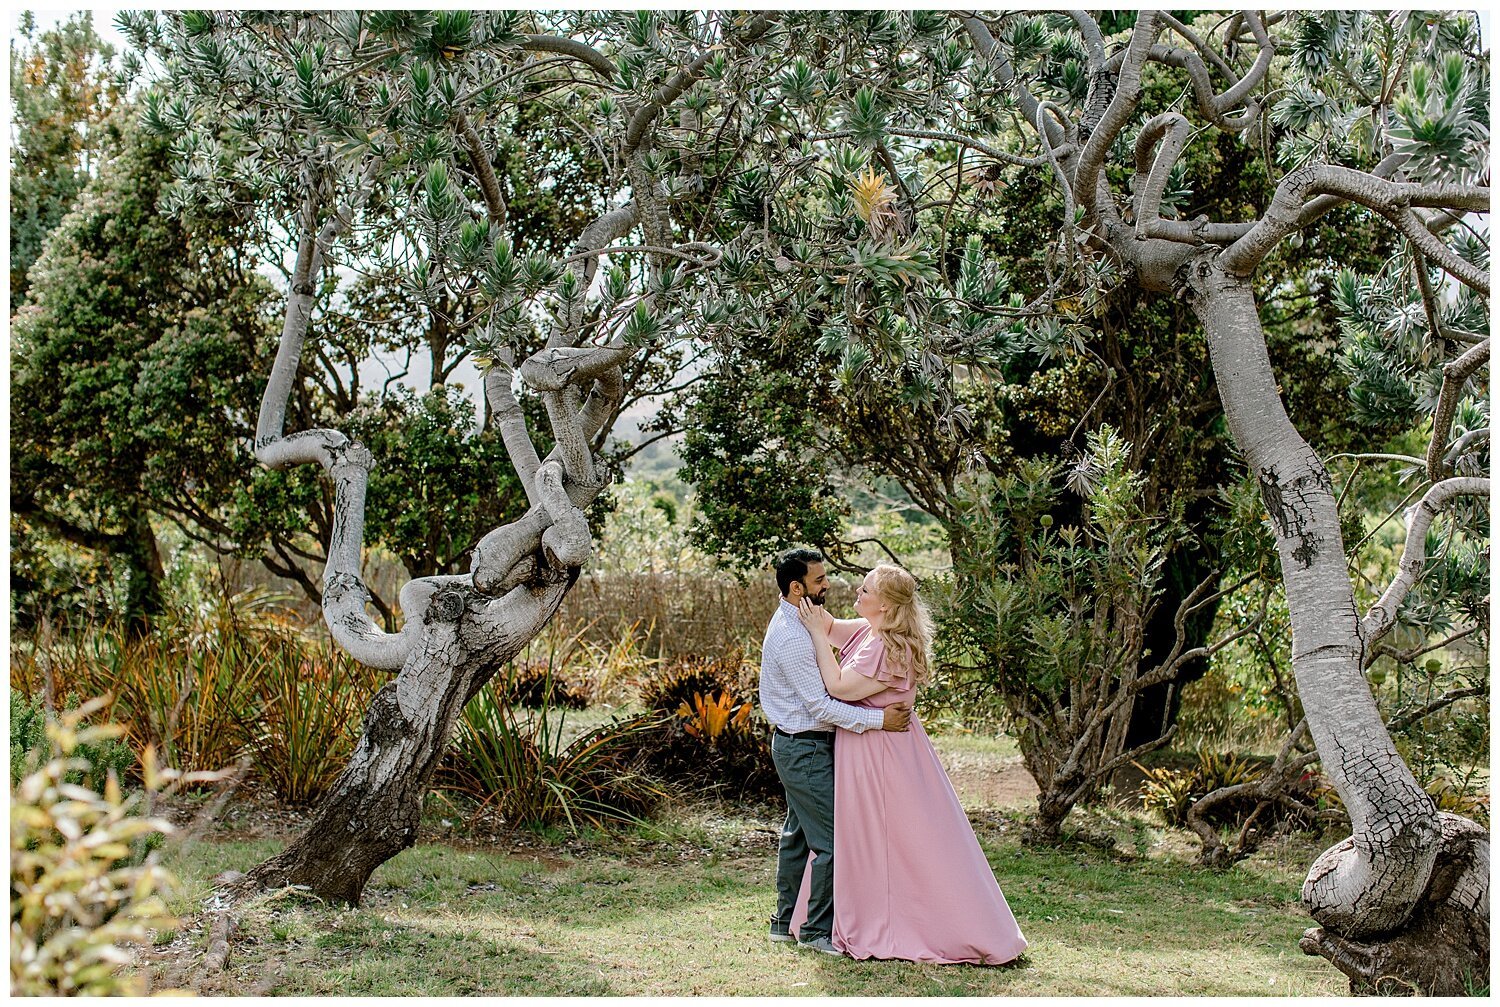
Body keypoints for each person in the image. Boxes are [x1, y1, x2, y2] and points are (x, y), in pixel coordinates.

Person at [790, 563, 1028, 965]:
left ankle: (901, 923)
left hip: (881, 756)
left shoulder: (889, 646)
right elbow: (831, 626)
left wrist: (814, 633)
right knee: (872, 837)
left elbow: (839, 687)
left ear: (883, 604)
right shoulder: (873, 631)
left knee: (888, 839)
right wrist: (803, 598)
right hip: (872, 747)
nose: (858, 594)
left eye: (865, 590)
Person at [759, 548, 912, 957]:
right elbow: (824, 705)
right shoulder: (792, 637)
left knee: (797, 836)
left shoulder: (802, 622)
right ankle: (814, 931)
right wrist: (883, 721)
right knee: (831, 842)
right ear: (797, 588)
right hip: (805, 747)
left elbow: (836, 631)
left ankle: (782, 922)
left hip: (804, 746)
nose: (828, 585)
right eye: (819, 580)